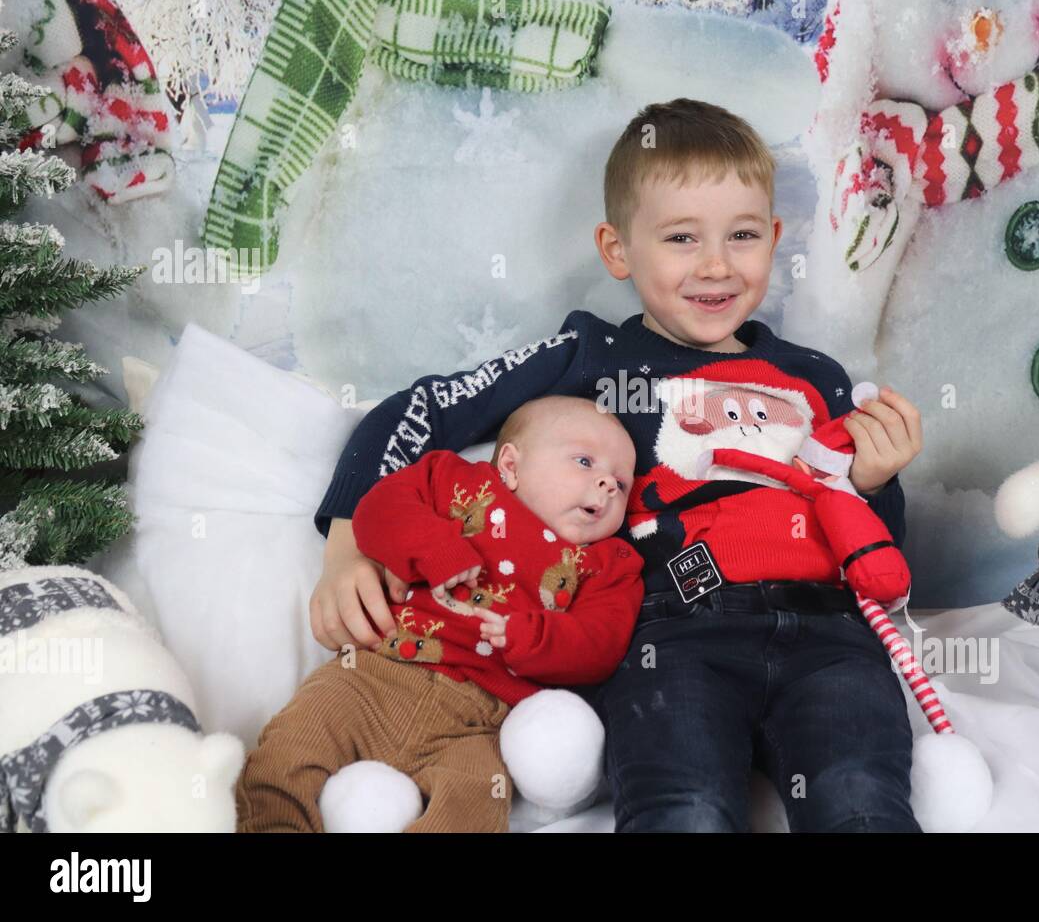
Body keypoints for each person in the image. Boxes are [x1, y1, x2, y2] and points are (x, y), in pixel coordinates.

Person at [310, 97, 925, 832]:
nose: (716, 265)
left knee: (861, 798)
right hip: (675, 636)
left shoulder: (814, 375)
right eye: (680, 238)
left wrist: (875, 482)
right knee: (685, 808)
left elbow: (877, 547)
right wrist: (346, 545)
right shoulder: (593, 357)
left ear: (775, 238)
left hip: (828, 638)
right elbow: (421, 410)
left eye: (743, 235)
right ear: (617, 249)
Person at [237, 395, 644, 832]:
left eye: (621, 484)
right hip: (375, 673)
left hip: (481, 721)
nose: (606, 484)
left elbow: (601, 643)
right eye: (585, 461)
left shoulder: (608, 563)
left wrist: (537, 637)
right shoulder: (454, 480)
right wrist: (436, 550)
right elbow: (379, 509)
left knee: (476, 804)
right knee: (292, 747)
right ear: (510, 465)